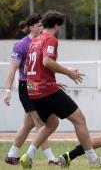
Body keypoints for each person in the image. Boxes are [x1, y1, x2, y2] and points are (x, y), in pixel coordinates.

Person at [19, 10, 101, 169]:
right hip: (46, 91)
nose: (60, 29)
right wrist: (68, 73)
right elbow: (46, 62)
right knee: (79, 119)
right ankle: (93, 159)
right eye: (60, 27)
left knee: (51, 124)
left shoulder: (34, 41)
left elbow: (27, 70)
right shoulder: (50, 39)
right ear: (55, 25)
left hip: (33, 91)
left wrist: (49, 80)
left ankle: (28, 156)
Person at [3, 13, 58, 166]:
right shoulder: (21, 44)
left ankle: (11, 155)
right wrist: (7, 91)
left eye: (43, 25)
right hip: (26, 87)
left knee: (29, 124)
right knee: (41, 122)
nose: (42, 28)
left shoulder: (42, 42)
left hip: (38, 87)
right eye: (39, 25)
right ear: (31, 27)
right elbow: (13, 69)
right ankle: (51, 159)